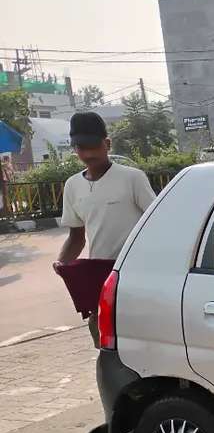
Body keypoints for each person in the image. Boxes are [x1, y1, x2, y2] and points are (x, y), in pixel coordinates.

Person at [54, 112, 156, 346]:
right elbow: (76, 237)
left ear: (107, 144)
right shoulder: (72, 186)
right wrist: (62, 263)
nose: (87, 153)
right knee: (105, 343)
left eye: (92, 146)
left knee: (141, 340)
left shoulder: (132, 178)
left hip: (137, 274)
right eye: (80, 147)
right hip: (101, 279)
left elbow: (156, 221)